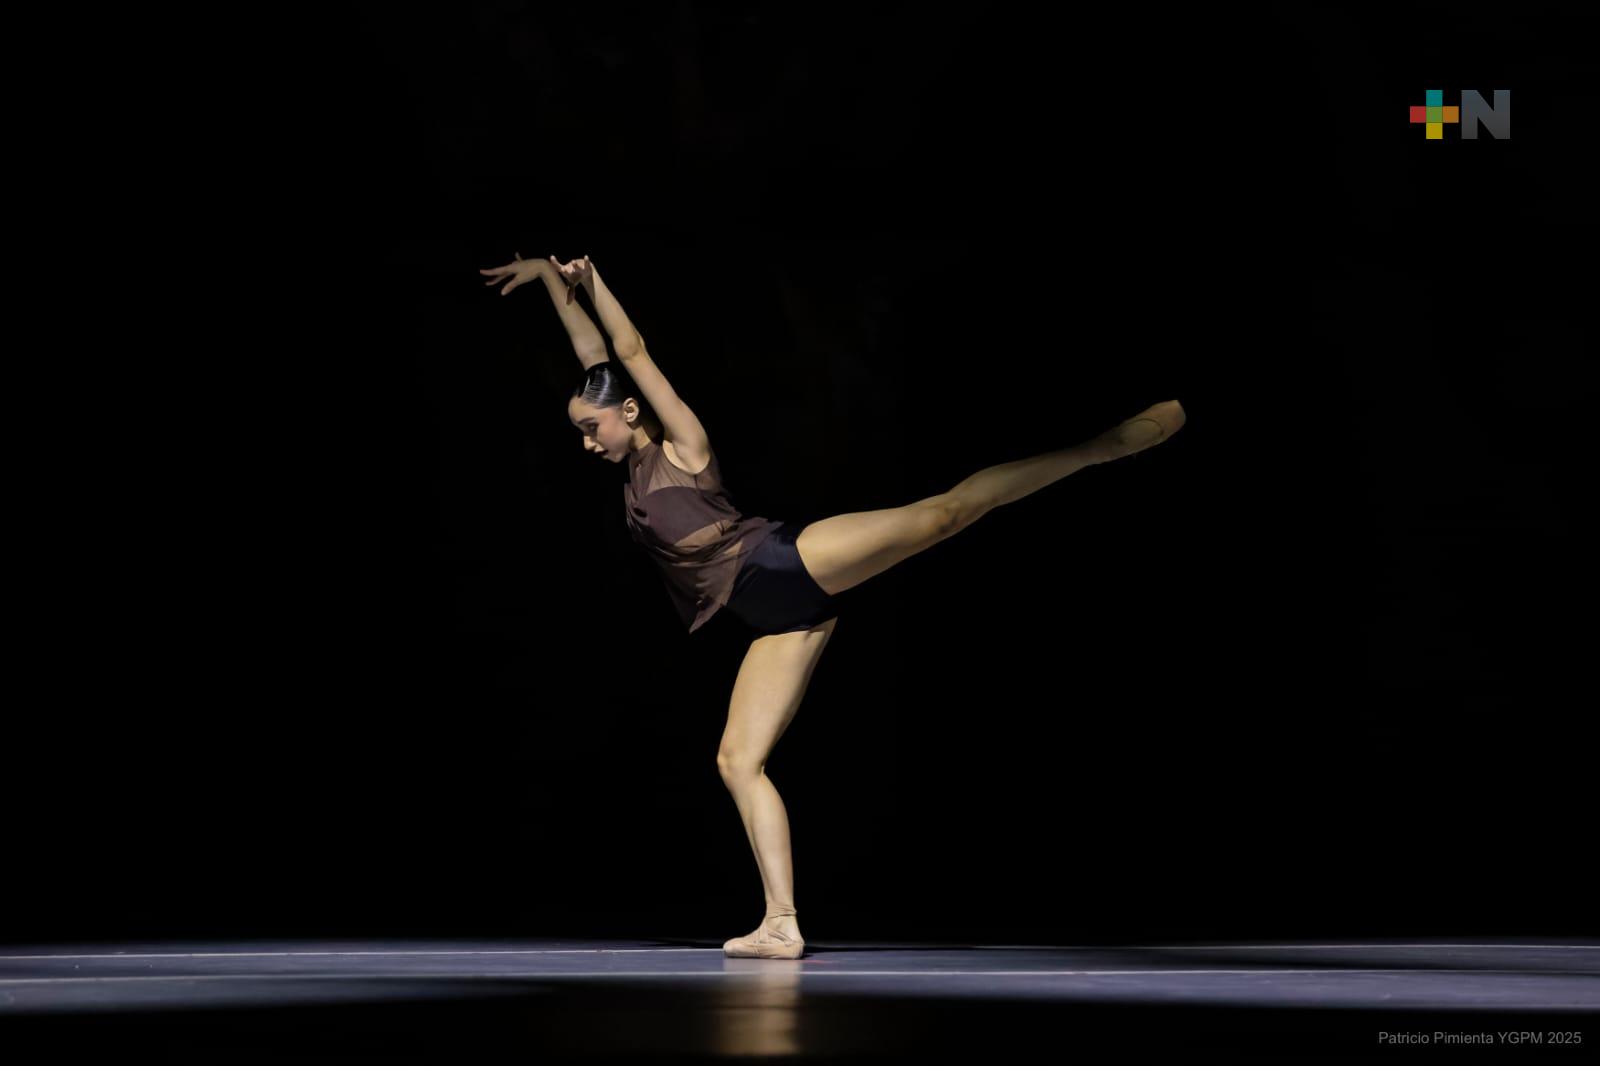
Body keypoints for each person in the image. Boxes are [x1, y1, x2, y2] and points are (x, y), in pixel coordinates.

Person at [478, 252, 1186, 959]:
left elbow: (627, 352)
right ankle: (781, 922)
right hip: (775, 619)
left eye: (592, 427)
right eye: (581, 429)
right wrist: (546, 276)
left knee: (944, 515)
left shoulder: (681, 447)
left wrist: (594, 280)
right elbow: (596, 358)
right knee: (736, 761)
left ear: (630, 412)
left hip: (783, 562)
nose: (586, 440)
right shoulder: (630, 464)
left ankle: (1103, 448)